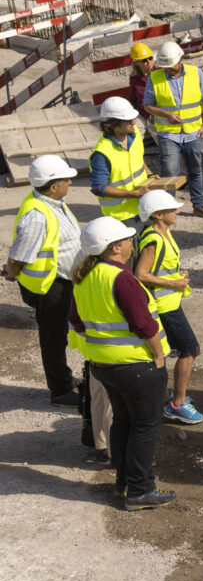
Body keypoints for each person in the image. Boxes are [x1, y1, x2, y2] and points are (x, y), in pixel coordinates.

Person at [69, 216, 174, 510]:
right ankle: (140, 490)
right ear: (116, 248)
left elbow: (77, 322)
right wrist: (158, 354)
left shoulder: (84, 275)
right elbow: (144, 325)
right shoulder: (122, 278)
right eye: (128, 239)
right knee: (144, 426)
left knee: (124, 422)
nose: (132, 243)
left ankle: (125, 484)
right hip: (136, 366)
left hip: (103, 366)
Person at [4, 155, 83, 406]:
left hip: (60, 284)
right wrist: (12, 271)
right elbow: (18, 257)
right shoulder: (38, 217)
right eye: (65, 180)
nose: (70, 182)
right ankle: (60, 390)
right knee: (54, 338)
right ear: (52, 186)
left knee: (58, 334)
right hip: (50, 287)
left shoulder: (53, 203)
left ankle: (64, 379)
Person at [133, 190, 203, 425]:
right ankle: (177, 404)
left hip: (168, 302)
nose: (178, 211)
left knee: (167, 351)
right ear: (158, 215)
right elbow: (141, 274)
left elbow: (159, 268)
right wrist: (173, 282)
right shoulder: (153, 240)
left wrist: (177, 274)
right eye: (173, 209)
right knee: (189, 349)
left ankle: (166, 398)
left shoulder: (163, 232)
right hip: (165, 306)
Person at [144, 41, 203, 219]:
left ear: (181, 59)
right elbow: (148, 106)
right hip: (168, 133)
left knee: (195, 169)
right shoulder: (155, 78)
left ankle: (199, 205)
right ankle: (168, 209)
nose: (168, 69)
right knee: (169, 172)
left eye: (172, 65)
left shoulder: (195, 73)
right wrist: (165, 114)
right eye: (165, 66)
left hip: (194, 132)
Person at [88, 96, 150, 222]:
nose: (134, 122)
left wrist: (150, 174)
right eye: (128, 120)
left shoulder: (134, 133)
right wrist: (133, 194)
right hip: (122, 216)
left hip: (144, 206)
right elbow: (99, 188)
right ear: (113, 124)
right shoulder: (102, 153)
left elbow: (137, 157)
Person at [127, 42, 154, 122]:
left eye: (150, 58)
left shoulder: (161, 72)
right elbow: (131, 99)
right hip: (143, 116)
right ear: (137, 63)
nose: (149, 62)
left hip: (159, 115)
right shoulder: (134, 79)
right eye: (144, 60)